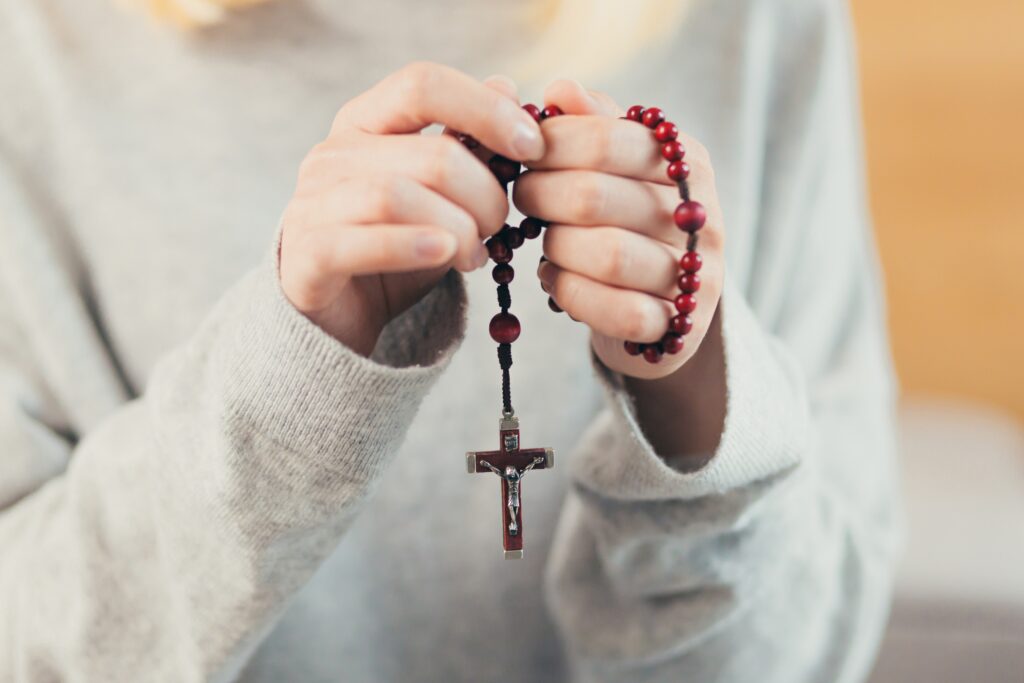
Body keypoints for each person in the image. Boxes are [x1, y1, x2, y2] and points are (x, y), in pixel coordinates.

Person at [0, 0, 902, 681]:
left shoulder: (757, 24)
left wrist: (697, 398)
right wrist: (286, 385)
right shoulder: (37, 45)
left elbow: (818, 650)